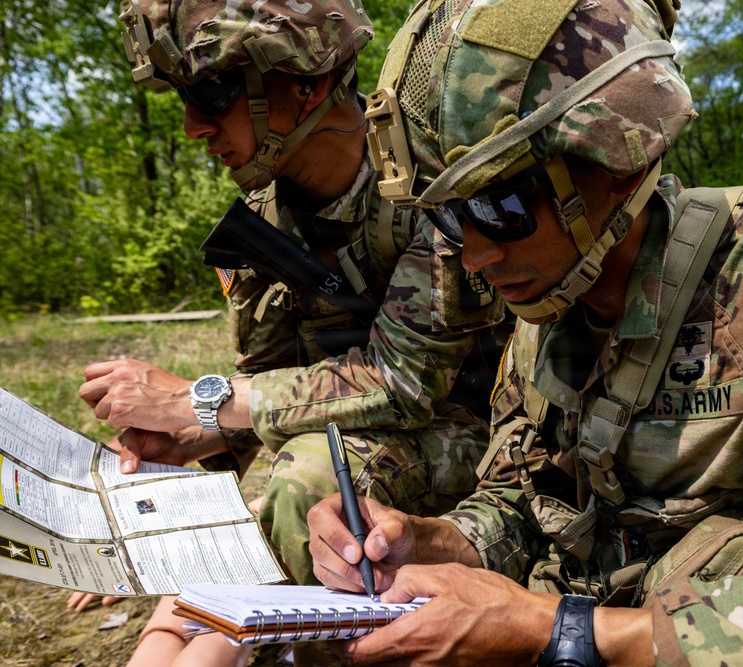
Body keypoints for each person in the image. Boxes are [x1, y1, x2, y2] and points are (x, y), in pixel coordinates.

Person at [305, 0, 743, 665]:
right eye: (449, 219)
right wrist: (433, 541)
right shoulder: (546, 301)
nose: (476, 254)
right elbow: (525, 498)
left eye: (501, 204)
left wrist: (568, 633)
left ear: (618, 157)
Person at [80, 0, 507, 664]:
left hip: (481, 444)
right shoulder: (264, 220)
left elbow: (404, 382)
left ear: (304, 81)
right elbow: (275, 382)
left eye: (213, 95)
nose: (194, 127)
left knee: (304, 479)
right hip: (338, 436)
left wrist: (206, 403)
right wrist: (188, 445)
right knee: (271, 495)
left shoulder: (433, 184)